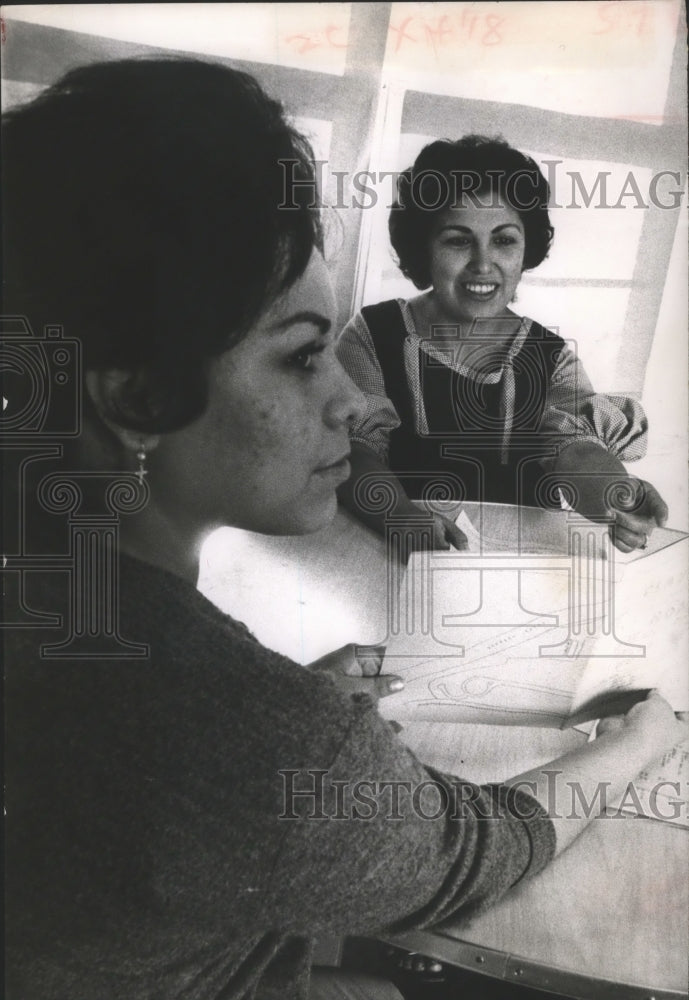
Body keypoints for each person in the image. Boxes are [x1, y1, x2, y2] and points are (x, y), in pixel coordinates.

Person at [3, 61, 685, 1000]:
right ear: (136, 395)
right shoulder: (245, 733)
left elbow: (564, 441)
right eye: (301, 357)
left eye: (505, 240)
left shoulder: (52, 579)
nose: (347, 404)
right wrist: (643, 741)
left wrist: (605, 483)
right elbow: (479, 849)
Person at [336, 136, 668, 553]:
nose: (483, 263)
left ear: (526, 247)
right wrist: (403, 518)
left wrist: (617, 493)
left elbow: (574, 448)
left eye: (504, 240)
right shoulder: (372, 333)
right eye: (458, 240)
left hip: (520, 566)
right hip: (391, 554)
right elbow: (352, 450)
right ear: (423, 245)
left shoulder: (551, 357)